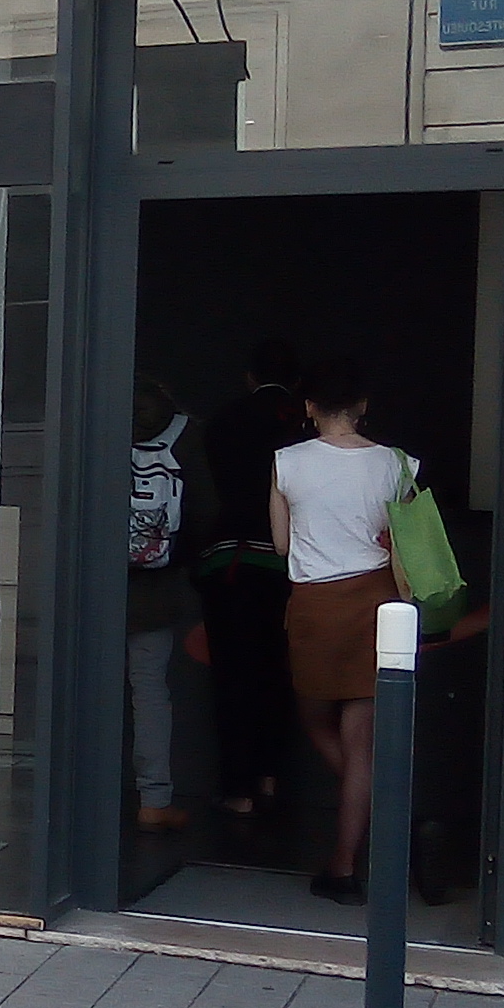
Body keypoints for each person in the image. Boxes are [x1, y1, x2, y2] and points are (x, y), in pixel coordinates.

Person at [270, 357, 404, 904]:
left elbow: (282, 544)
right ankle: (345, 866)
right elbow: (404, 540)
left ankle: (361, 824)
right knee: (362, 740)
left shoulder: (287, 463)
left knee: (313, 718)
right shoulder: (396, 464)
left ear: (309, 408)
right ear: (363, 406)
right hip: (376, 601)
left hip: (315, 606)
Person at [198, 338, 306, 822]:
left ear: (249, 377)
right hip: (289, 566)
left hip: (229, 561)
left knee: (233, 677)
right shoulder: (304, 426)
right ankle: (270, 777)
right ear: (297, 382)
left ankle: (238, 789)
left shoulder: (222, 421)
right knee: (278, 674)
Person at [127, 376, 212, 832]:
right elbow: (205, 512)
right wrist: (177, 560)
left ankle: (75, 794)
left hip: (90, 586)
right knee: (150, 691)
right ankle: (154, 801)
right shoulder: (185, 435)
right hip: (156, 590)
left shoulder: (93, 423)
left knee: (80, 689)